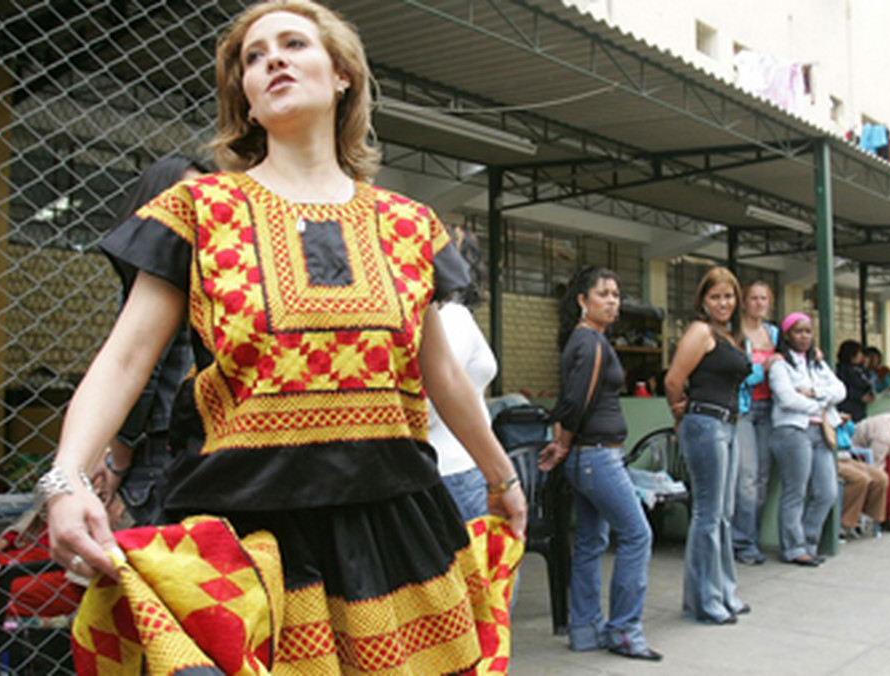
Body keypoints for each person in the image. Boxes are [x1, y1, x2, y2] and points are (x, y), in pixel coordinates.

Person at [43, 2, 527, 672]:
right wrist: (66, 480)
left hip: (395, 530)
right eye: (252, 55)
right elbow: (125, 357)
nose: (271, 59)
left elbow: (441, 373)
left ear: (342, 76)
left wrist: (503, 476)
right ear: (242, 94)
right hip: (246, 537)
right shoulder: (198, 212)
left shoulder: (410, 225)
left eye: (293, 43)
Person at [539, 266, 660, 660]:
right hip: (595, 456)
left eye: (616, 294)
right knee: (637, 535)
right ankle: (624, 629)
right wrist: (563, 443)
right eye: (603, 293)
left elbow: (572, 400)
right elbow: (577, 399)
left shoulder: (584, 340)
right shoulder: (589, 342)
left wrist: (564, 444)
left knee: (592, 541)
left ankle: (586, 628)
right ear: (581, 300)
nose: (612, 300)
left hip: (590, 456)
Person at [88, 155, 207, 527]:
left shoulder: (177, 275)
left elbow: (141, 371)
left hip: (161, 452)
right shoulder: (181, 273)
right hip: (174, 446)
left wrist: (117, 459)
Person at [665, 266, 751, 625]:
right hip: (705, 424)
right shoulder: (700, 331)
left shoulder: (731, 336)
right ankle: (705, 600)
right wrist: (679, 410)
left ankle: (724, 591)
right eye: (715, 297)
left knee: (724, 515)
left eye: (728, 296)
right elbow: (673, 379)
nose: (723, 303)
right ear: (703, 300)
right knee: (708, 514)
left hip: (729, 425)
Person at [430, 229, 497, 523]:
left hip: (453, 466)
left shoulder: (441, 318)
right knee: (486, 567)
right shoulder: (452, 317)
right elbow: (436, 399)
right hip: (458, 469)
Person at [768, 312, 845, 566]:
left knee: (826, 491)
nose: (804, 336)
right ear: (787, 335)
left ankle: (809, 542)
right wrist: (821, 405)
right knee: (795, 492)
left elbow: (840, 390)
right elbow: (787, 399)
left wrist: (814, 393)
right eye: (798, 331)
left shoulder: (817, 363)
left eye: (808, 331)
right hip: (793, 432)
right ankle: (793, 547)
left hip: (821, 433)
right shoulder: (780, 364)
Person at [731, 280, 780, 566]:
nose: (759, 303)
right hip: (744, 410)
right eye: (754, 298)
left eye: (764, 298)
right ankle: (742, 542)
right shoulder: (736, 334)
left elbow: (791, 360)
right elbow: (739, 377)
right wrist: (762, 369)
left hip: (770, 409)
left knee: (762, 479)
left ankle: (751, 538)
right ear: (744, 302)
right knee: (746, 479)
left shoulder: (774, 333)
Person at [834, 415, 887, 541]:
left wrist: (846, 424)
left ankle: (869, 517)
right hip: (832, 458)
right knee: (860, 479)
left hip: (847, 457)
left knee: (881, 478)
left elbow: (850, 436)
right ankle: (844, 523)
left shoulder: (838, 417)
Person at [836, 340, 876, 421]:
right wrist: (860, 396)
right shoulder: (842, 370)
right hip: (848, 407)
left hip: (860, 409)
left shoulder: (860, 370)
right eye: (859, 353)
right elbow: (843, 389)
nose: (861, 356)